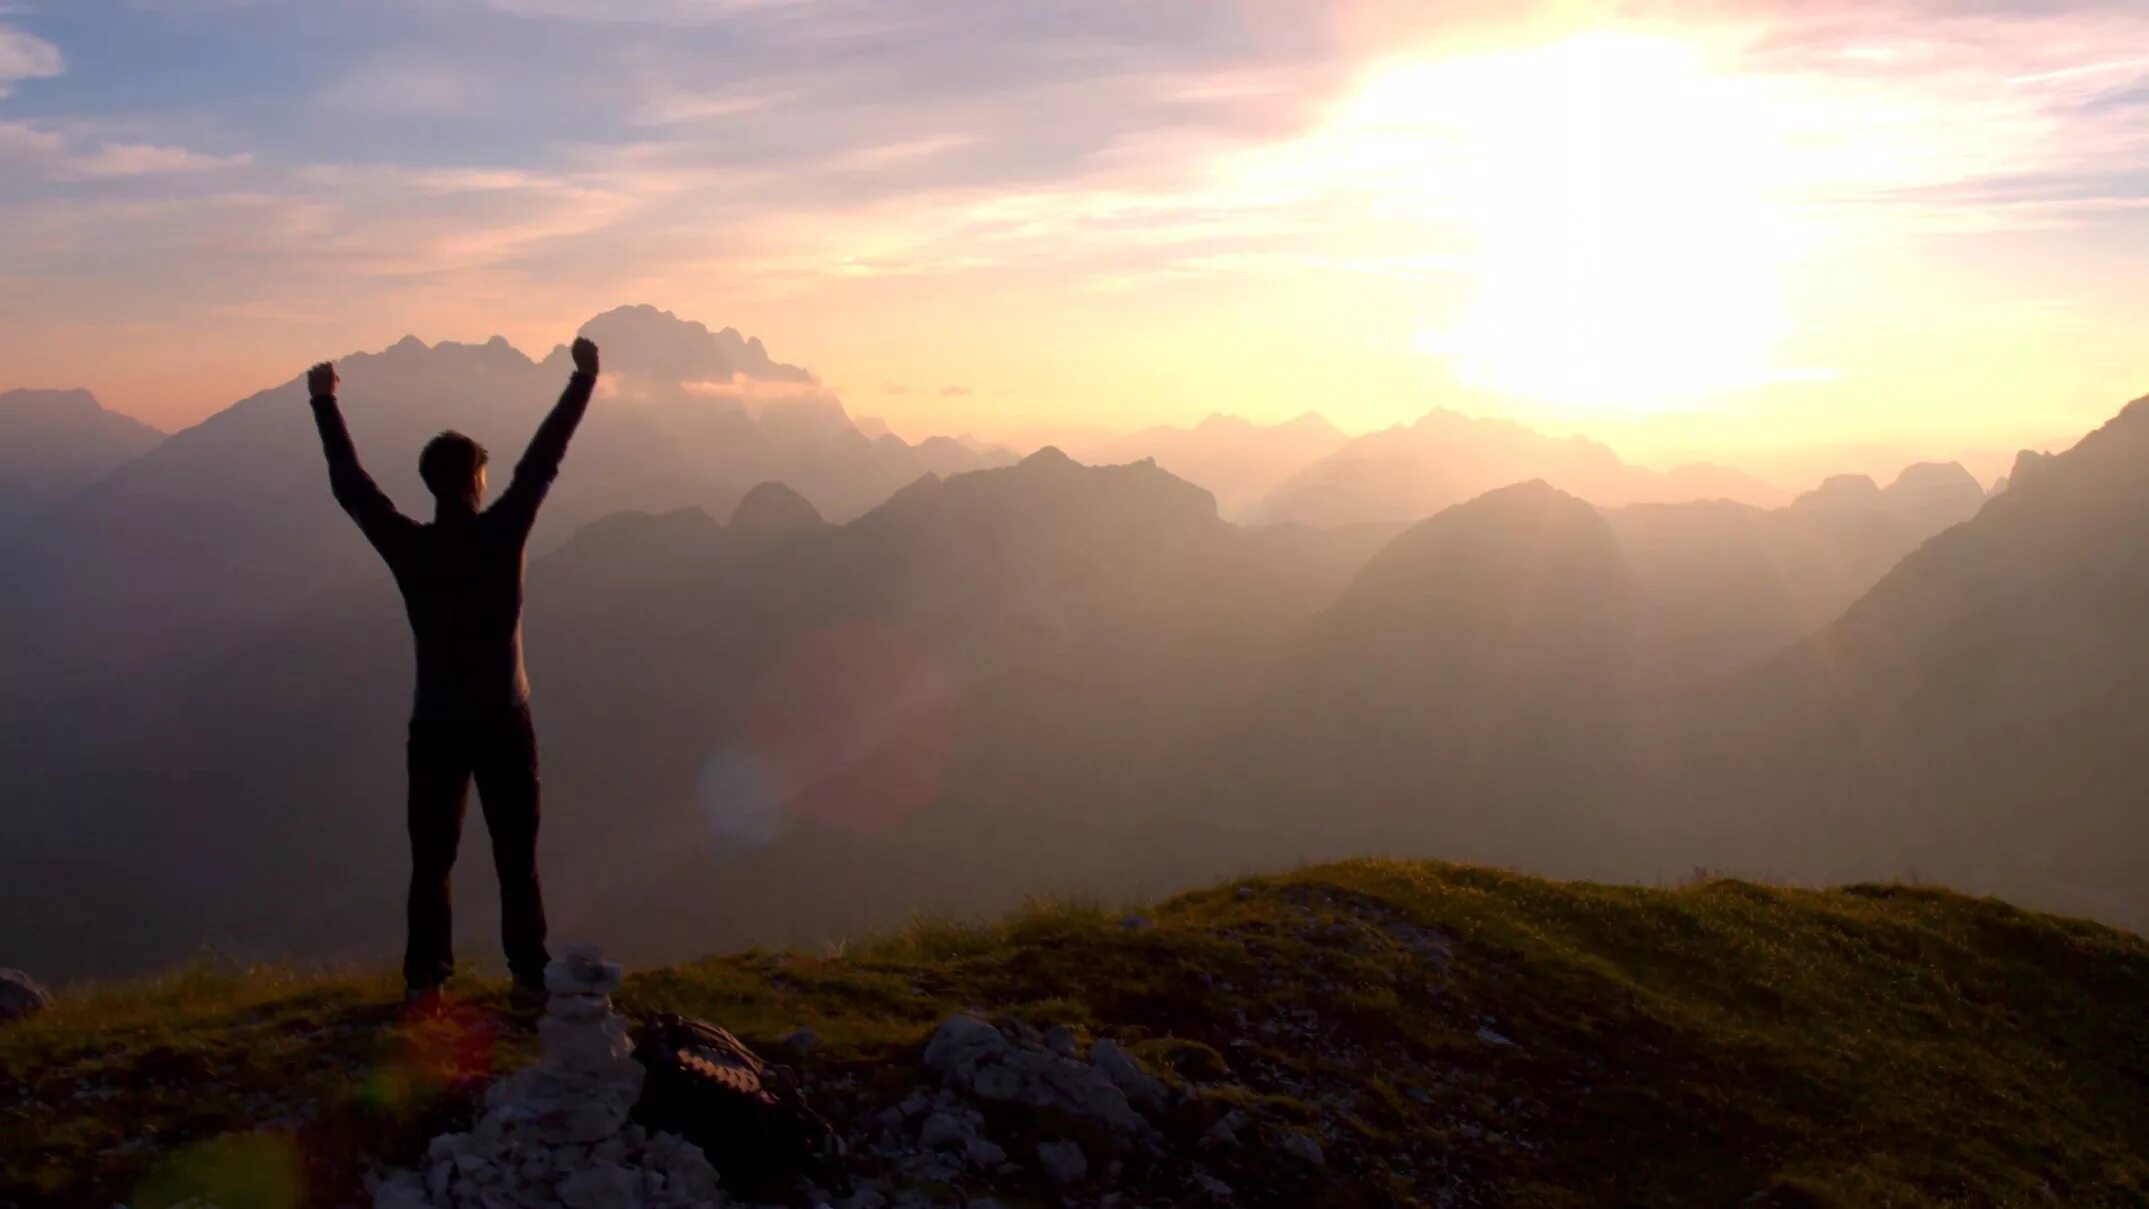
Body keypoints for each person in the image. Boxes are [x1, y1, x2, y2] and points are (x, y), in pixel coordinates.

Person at [306, 337, 600, 1008]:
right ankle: (528, 974)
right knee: (515, 858)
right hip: (504, 718)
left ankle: (424, 983)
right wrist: (582, 380)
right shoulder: (503, 532)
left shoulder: (410, 546)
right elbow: (544, 459)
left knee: (432, 860)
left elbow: (351, 487)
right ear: (475, 480)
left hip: (435, 724)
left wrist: (324, 403)